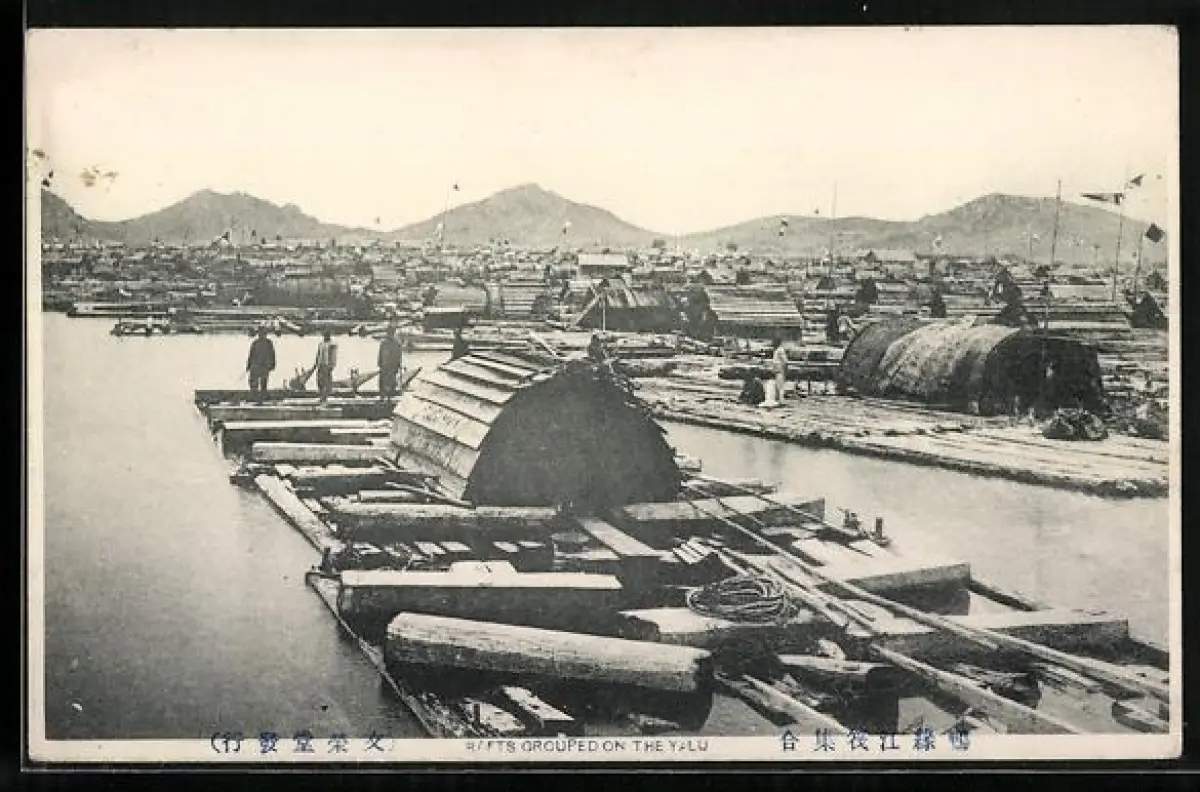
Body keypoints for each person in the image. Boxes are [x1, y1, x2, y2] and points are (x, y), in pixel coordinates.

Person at [246, 325, 276, 401]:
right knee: (254, 382)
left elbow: (272, 355)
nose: (261, 335)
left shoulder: (268, 343)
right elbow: (251, 355)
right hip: (256, 367)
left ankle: (262, 396)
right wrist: (248, 365)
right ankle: (255, 396)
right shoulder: (255, 343)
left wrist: (272, 364)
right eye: (260, 333)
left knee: (263, 383)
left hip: (263, 366)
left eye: (263, 333)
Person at [377, 324, 403, 401]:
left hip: (390, 366)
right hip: (385, 365)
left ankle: (388, 398)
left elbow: (399, 355)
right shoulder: (385, 343)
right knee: (384, 382)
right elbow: (380, 354)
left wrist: (398, 365)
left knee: (390, 382)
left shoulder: (396, 343)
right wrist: (380, 363)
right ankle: (383, 397)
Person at [314, 331, 338, 403]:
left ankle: (324, 398)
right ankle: (321, 396)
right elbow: (318, 354)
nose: (325, 337)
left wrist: (332, 366)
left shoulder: (332, 345)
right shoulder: (321, 344)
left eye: (326, 335)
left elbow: (333, 356)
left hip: (327, 365)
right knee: (319, 381)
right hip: (320, 365)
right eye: (324, 335)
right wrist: (316, 363)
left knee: (326, 382)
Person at [771, 337, 789, 403]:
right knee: (777, 386)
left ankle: (781, 401)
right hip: (777, 371)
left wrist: (785, 371)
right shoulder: (776, 350)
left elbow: (785, 361)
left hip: (780, 371)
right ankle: (777, 400)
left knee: (780, 387)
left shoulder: (780, 350)